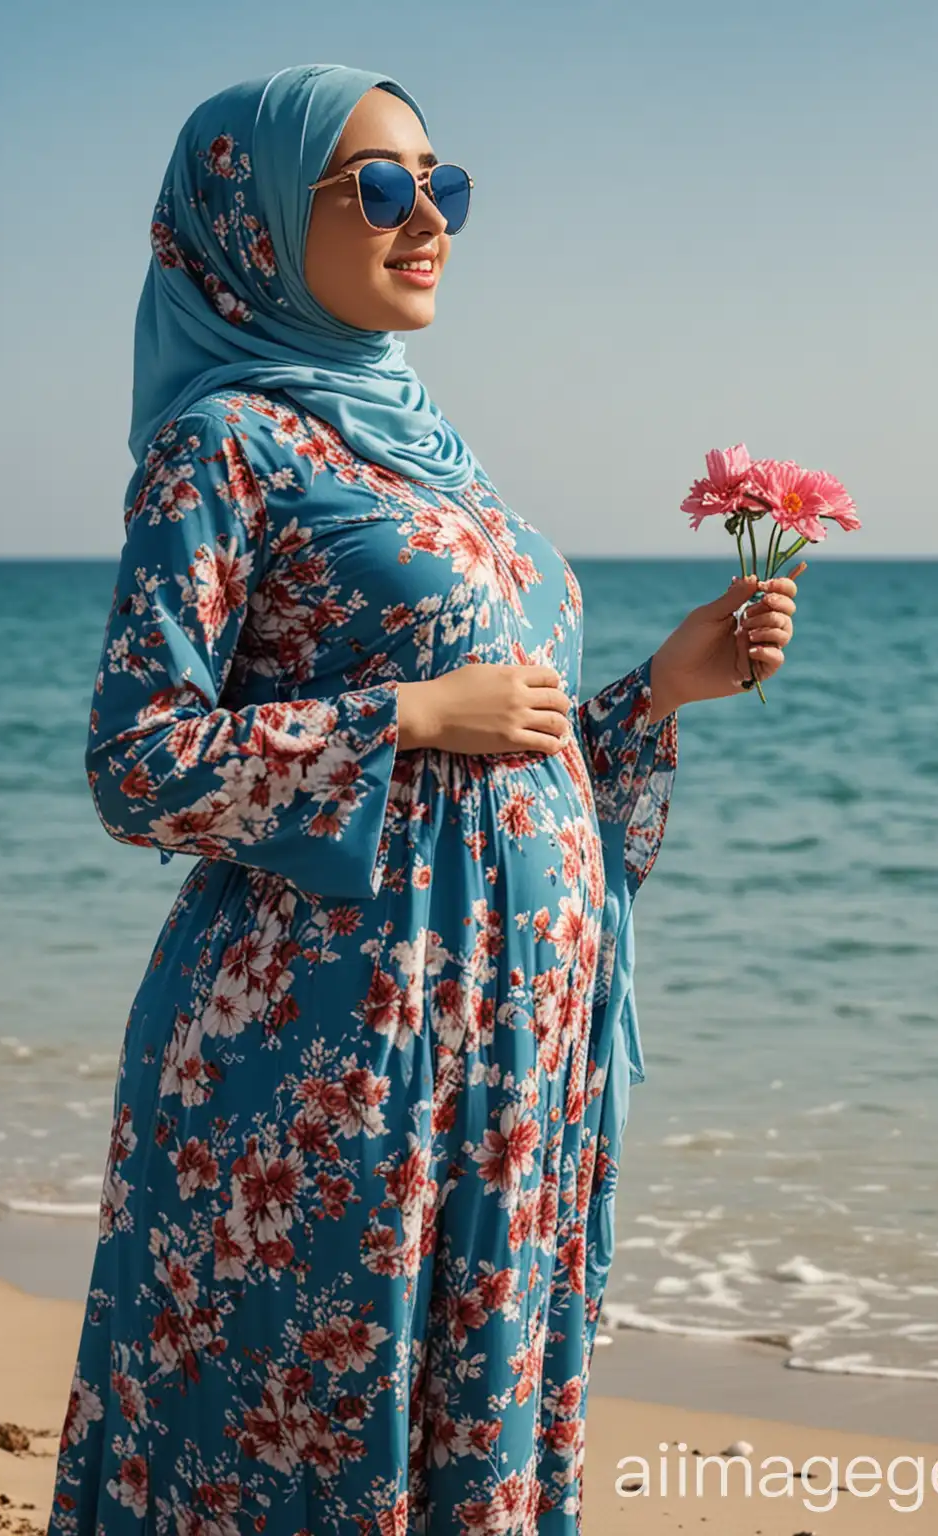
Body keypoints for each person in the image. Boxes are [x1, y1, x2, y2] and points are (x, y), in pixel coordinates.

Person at [49, 63, 802, 1536]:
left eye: (442, 187)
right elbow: (135, 759)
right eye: (380, 187)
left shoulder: (431, 451)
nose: (428, 220)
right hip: (331, 1064)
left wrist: (658, 691)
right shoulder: (223, 444)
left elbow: (506, 759)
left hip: (508, 1063)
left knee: (470, 1436)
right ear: (255, 220)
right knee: (309, 1449)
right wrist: (399, 714)